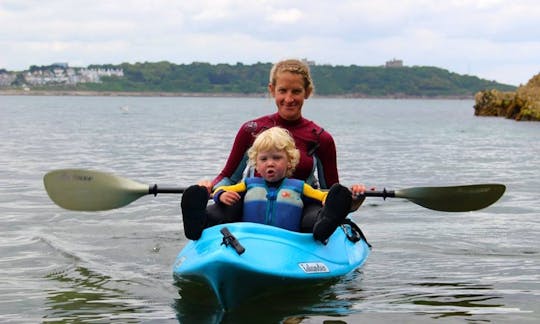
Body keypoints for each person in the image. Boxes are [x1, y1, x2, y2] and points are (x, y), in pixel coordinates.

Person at [197, 58, 341, 231]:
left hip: (300, 210)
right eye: (282, 91)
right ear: (272, 90)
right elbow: (229, 176)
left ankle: (320, 232)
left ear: (307, 92)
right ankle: (197, 221)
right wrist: (211, 188)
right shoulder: (251, 130)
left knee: (315, 219)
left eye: (296, 91)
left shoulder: (320, 138)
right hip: (253, 203)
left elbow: (331, 192)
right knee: (220, 212)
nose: (289, 99)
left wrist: (354, 198)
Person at [181, 127, 365, 242]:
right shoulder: (248, 184)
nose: (270, 163)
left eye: (277, 158)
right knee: (223, 206)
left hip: (288, 240)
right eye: (264, 159)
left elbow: (322, 195)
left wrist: (330, 200)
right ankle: (198, 223)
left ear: (289, 161)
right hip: (251, 237)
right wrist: (220, 194)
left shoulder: (299, 186)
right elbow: (223, 189)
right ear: (256, 163)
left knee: (315, 214)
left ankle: (324, 226)